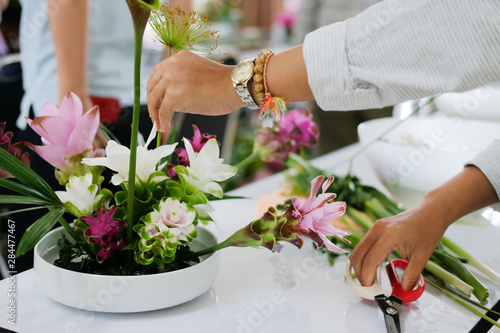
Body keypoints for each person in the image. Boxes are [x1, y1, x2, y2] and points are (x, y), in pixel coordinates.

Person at [146, 0, 500, 290]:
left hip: (346, 71)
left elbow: (456, 24)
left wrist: (242, 82)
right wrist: (437, 208)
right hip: (324, 71)